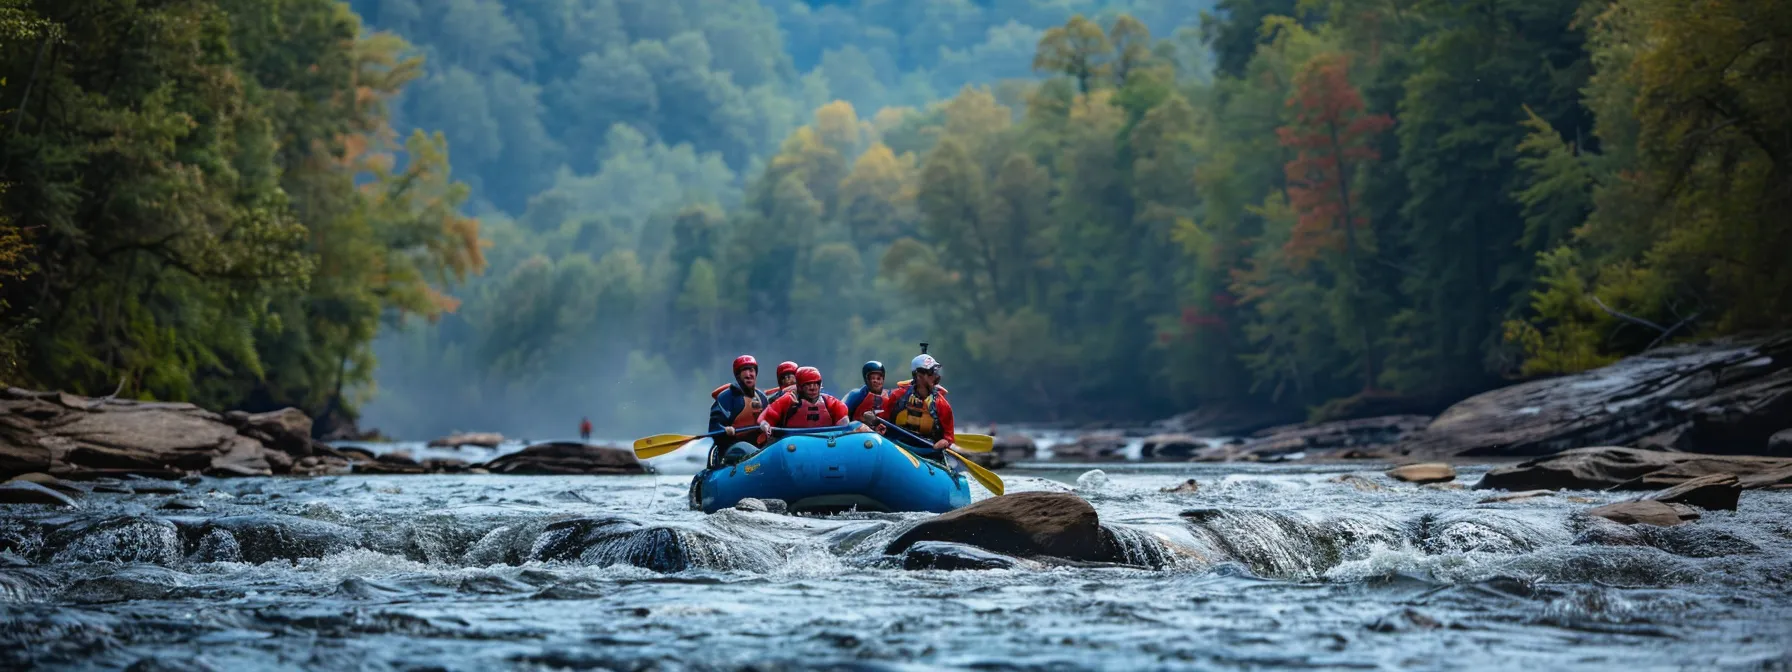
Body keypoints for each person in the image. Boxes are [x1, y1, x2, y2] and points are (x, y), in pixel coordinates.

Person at [869, 353, 955, 455]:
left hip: (927, 451)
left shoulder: (942, 405)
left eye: (935, 372)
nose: (935, 377)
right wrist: (877, 424)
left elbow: (949, 437)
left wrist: (945, 441)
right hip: (897, 446)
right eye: (931, 373)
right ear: (919, 376)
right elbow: (884, 419)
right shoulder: (897, 396)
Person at [707, 355, 772, 468]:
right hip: (733, 449)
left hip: (758, 448)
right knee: (743, 447)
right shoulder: (727, 397)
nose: (748, 374)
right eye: (744, 371)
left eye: (751, 370)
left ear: (755, 373)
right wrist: (725, 430)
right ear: (738, 375)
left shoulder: (762, 398)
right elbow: (713, 427)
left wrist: (767, 425)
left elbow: (772, 420)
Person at [759, 366, 866, 431]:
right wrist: (765, 425)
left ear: (820, 385)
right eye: (808, 384)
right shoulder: (788, 400)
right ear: (800, 386)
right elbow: (765, 418)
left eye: (816, 384)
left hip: (825, 443)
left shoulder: (831, 403)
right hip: (792, 444)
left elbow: (844, 427)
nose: (813, 388)